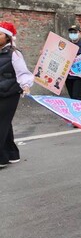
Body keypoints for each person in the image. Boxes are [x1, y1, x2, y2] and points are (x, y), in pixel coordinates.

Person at [0, 22, 34, 168]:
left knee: (1, 122)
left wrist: (26, 86)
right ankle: (12, 154)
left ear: (7, 37)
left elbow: (23, 73)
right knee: (5, 123)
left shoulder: (14, 53)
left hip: (10, 94)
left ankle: (1, 159)